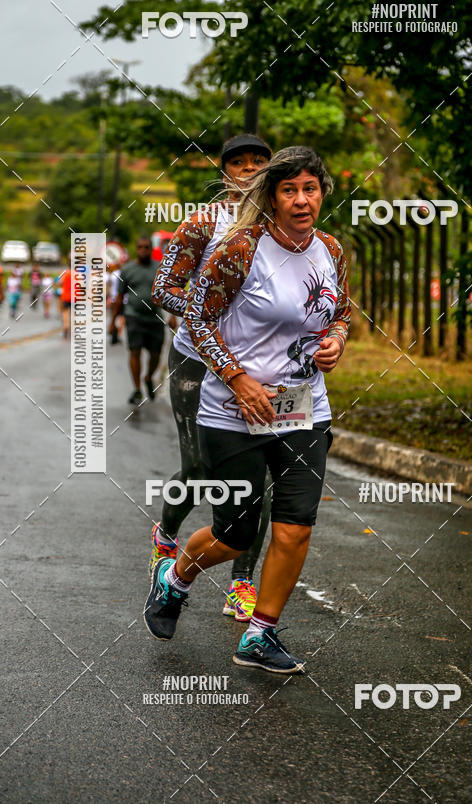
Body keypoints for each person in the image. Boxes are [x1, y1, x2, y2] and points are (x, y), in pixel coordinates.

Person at [144, 146, 351, 673]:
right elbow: (196, 318)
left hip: (304, 407)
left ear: (322, 192)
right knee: (235, 534)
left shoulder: (330, 248)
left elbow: (340, 313)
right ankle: (177, 577)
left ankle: (260, 634)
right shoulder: (239, 247)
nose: (302, 200)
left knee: (295, 526)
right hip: (234, 410)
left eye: (311, 188)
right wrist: (237, 378)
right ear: (272, 197)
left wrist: (338, 339)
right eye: (290, 190)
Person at [150, 134, 273, 623]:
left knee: (255, 482)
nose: (248, 170)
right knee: (202, 472)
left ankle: (241, 583)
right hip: (197, 362)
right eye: (238, 164)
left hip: (259, 371)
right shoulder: (206, 222)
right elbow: (164, 288)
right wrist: (208, 314)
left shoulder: (283, 225)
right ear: (225, 173)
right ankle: (166, 534)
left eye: (258, 162)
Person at [110, 237, 169, 406]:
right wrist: (113, 321)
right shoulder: (127, 270)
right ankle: (137, 389)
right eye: (140, 247)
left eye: (146, 247)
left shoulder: (159, 268)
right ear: (136, 249)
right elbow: (120, 297)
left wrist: (172, 316)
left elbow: (169, 292)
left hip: (155, 317)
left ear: (151, 249)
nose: (143, 249)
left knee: (156, 354)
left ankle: (148, 377)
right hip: (133, 316)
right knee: (134, 351)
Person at [59, 268, 72, 337]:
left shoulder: (65, 273)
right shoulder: (78, 274)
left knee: (65, 312)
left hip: (66, 296)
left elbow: (60, 283)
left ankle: (66, 326)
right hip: (75, 297)